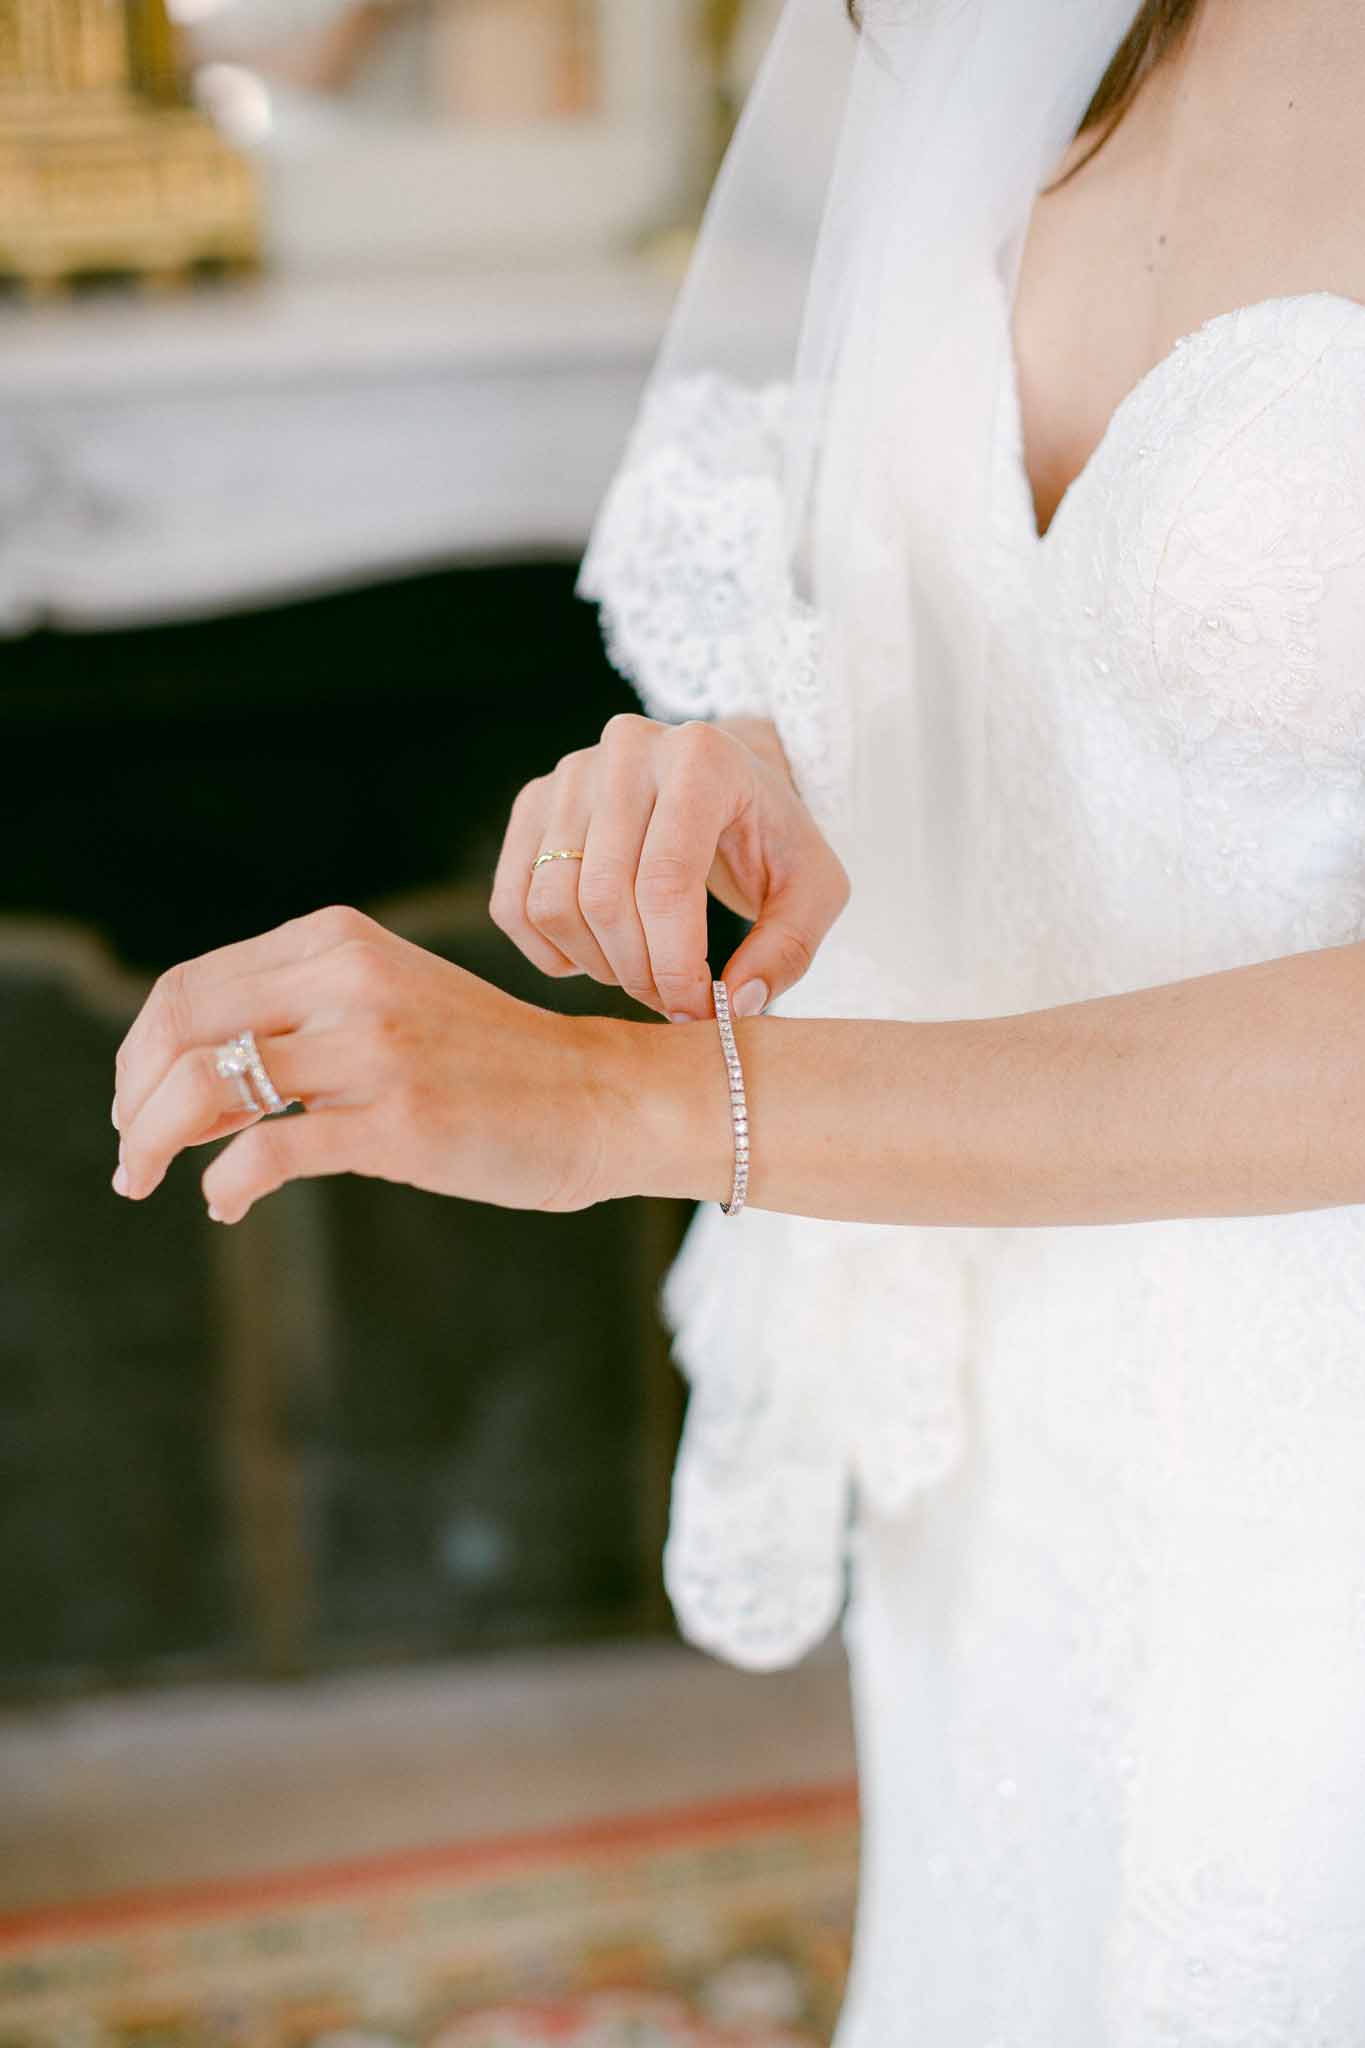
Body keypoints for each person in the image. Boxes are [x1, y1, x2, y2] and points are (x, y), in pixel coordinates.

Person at [114, 0, 1365, 2033]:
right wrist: (742, 763)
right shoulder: (1007, 33)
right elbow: (986, 634)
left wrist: (633, 1102)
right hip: (1011, 1456)